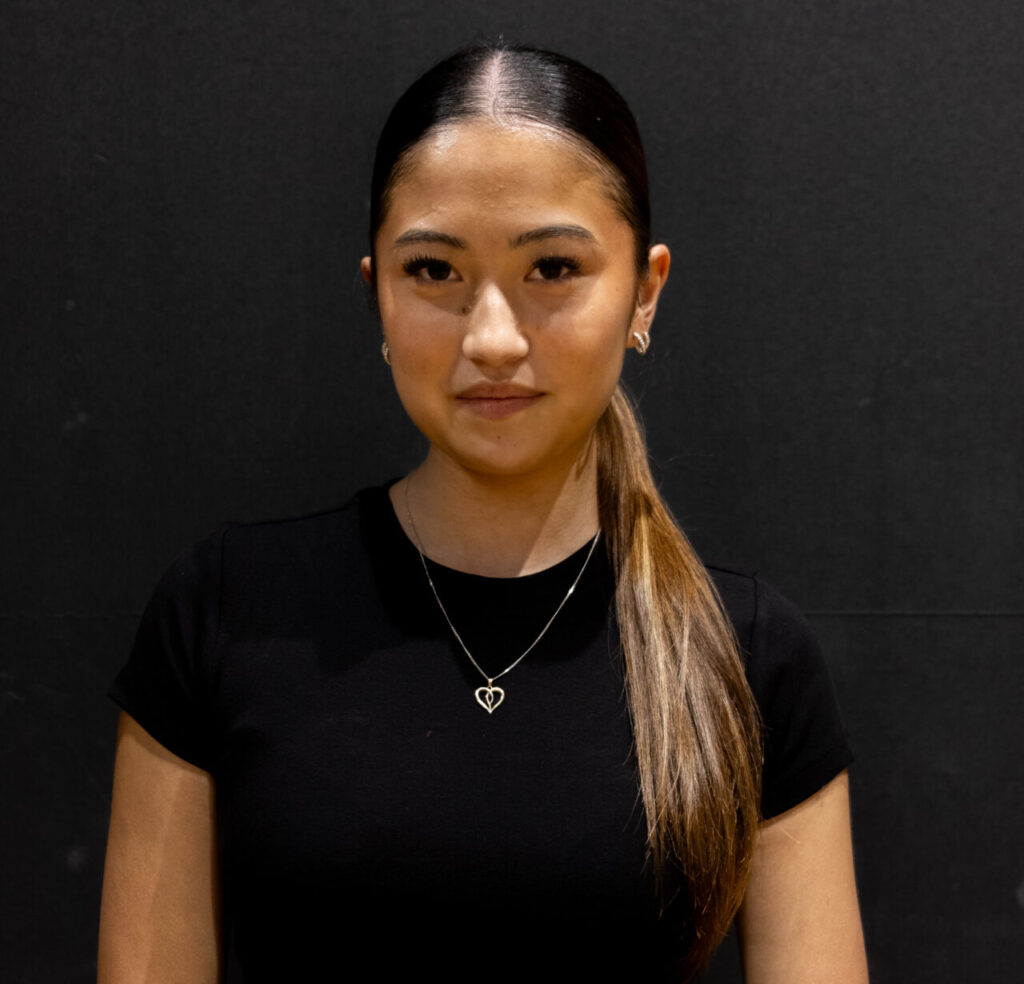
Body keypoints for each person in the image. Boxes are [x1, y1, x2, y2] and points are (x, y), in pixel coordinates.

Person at [98, 43, 869, 983]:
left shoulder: (748, 656)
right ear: (375, 290)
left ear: (645, 290)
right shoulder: (223, 615)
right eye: (434, 272)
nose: (493, 338)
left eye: (552, 268)